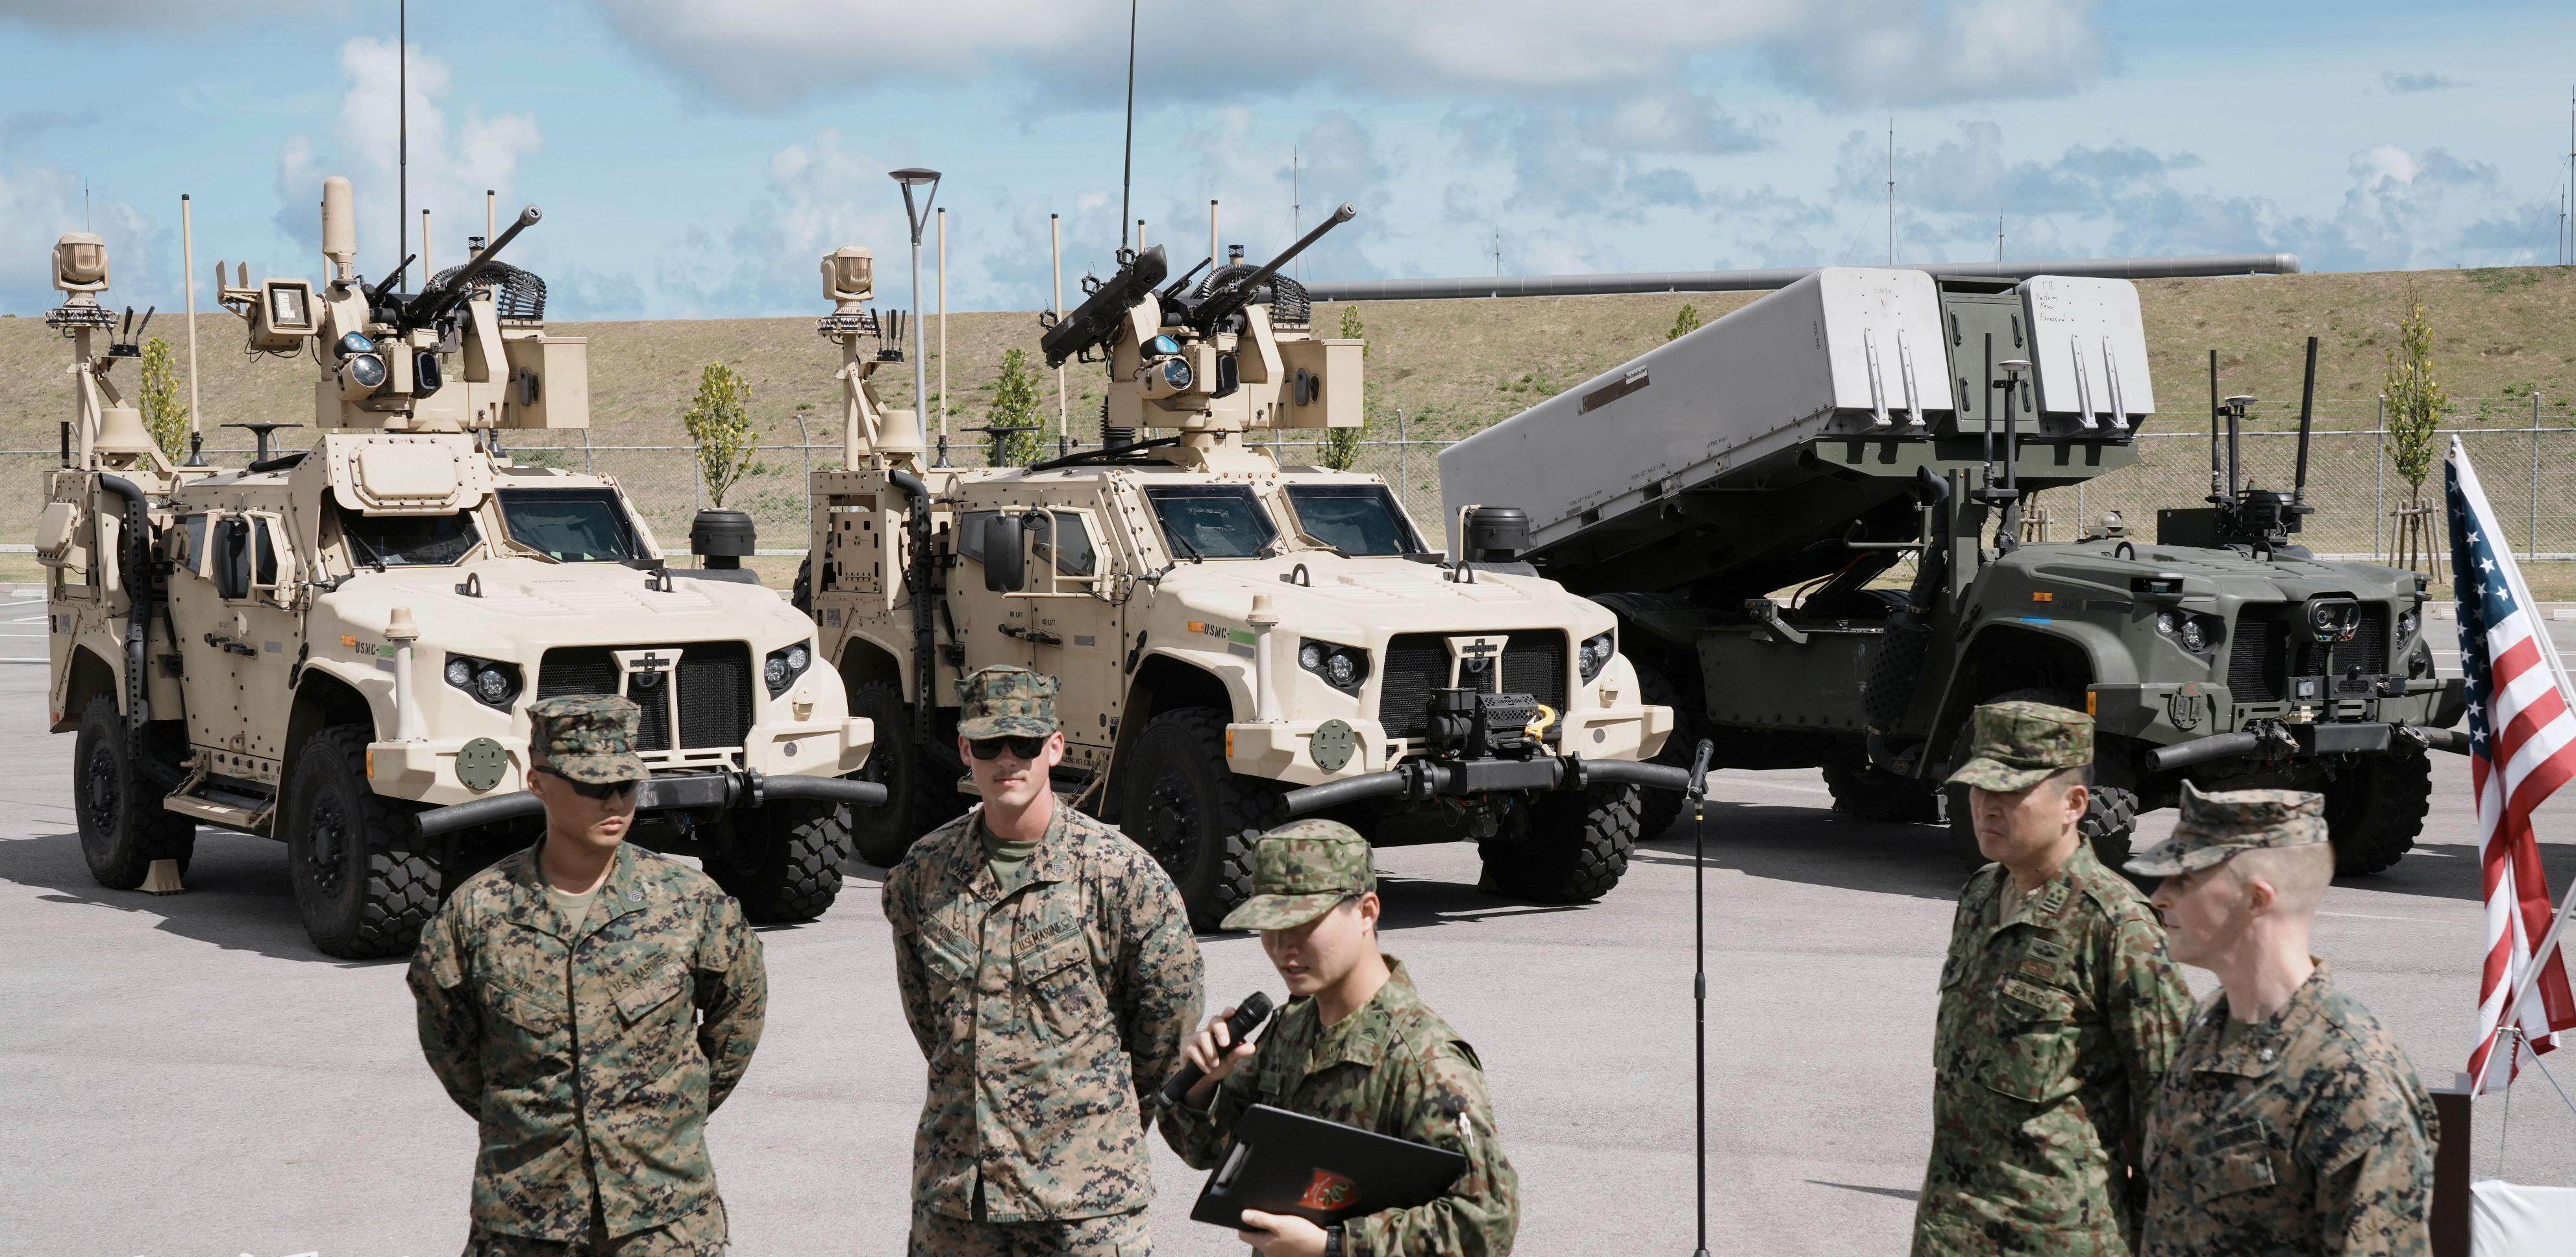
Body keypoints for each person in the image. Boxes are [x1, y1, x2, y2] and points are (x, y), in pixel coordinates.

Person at [409, 695, 767, 1256]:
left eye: (626, 785)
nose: (616, 802)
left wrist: (664, 1115)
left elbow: (736, 1022)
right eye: (592, 787)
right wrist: (534, 1120)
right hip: (527, 1217)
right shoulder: (478, 913)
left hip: (662, 1214)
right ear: (538, 782)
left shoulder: (691, 904)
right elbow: (450, 1045)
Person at [882, 666, 1203, 1254]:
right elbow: (931, 1022)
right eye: (989, 744)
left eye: (1025, 743)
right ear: (965, 751)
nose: (1008, 760)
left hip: (1085, 1204)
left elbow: (1166, 1037)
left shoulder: (1122, 876)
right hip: (960, 1201)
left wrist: (1093, 1127)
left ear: (1054, 747)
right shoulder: (923, 874)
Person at [1160, 819, 1519, 1257]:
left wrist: (1336, 1246)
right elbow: (1211, 1152)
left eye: (1304, 923)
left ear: (1367, 912)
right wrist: (1202, 1086)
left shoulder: (1425, 1060)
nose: (1282, 947)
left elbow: (1486, 1221)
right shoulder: (1291, 1026)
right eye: (1269, 926)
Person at [1913, 701, 2192, 1256]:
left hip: (2053, 1236)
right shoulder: (1981, 895)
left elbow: (2172, 1108)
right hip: (1950, 1229)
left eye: (2012, 793)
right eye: (1979, 788)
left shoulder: (2115, 924)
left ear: (2074, 804)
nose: (1987, 807)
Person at [2129, 784, 2438, 1257]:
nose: (2160, 898)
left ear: (2256, 900)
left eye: (2184, 879)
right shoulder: (2208, 1025)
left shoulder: (2351, 1077)